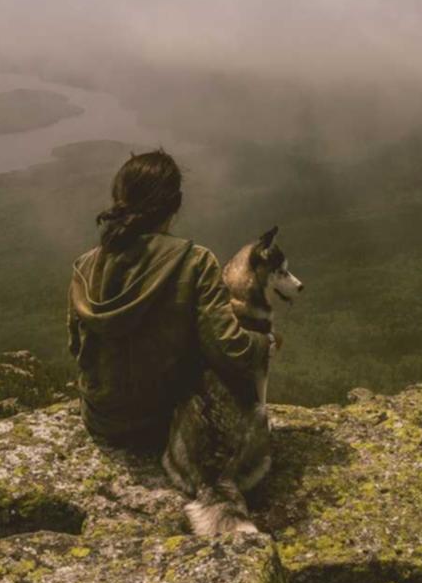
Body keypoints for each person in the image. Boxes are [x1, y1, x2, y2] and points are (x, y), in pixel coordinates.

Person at [66, 149, 270, 447]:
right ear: (175, 204)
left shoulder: (85, 266)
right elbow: (230, 350)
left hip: (101, 419)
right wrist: (265, 343)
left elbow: (76, 346)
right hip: (166, 423)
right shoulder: (195, 261)